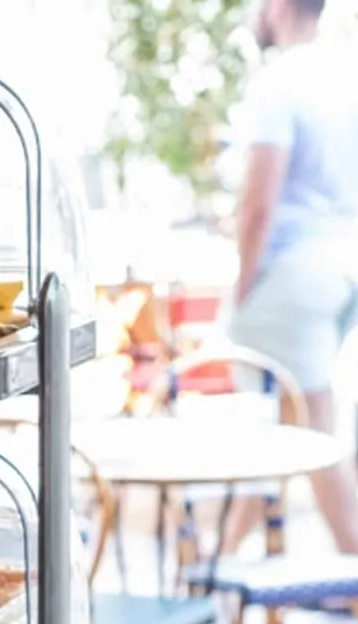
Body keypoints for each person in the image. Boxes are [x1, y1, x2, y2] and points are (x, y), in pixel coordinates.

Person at [223, 0, 358, 553]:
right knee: (283, 427)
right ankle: (222, 565)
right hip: (343, 270)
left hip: (293, 274)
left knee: (308, 431)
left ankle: (353, 568)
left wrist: (242, 285)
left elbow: (259, 205)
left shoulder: (278, 84)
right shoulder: (345, 76)